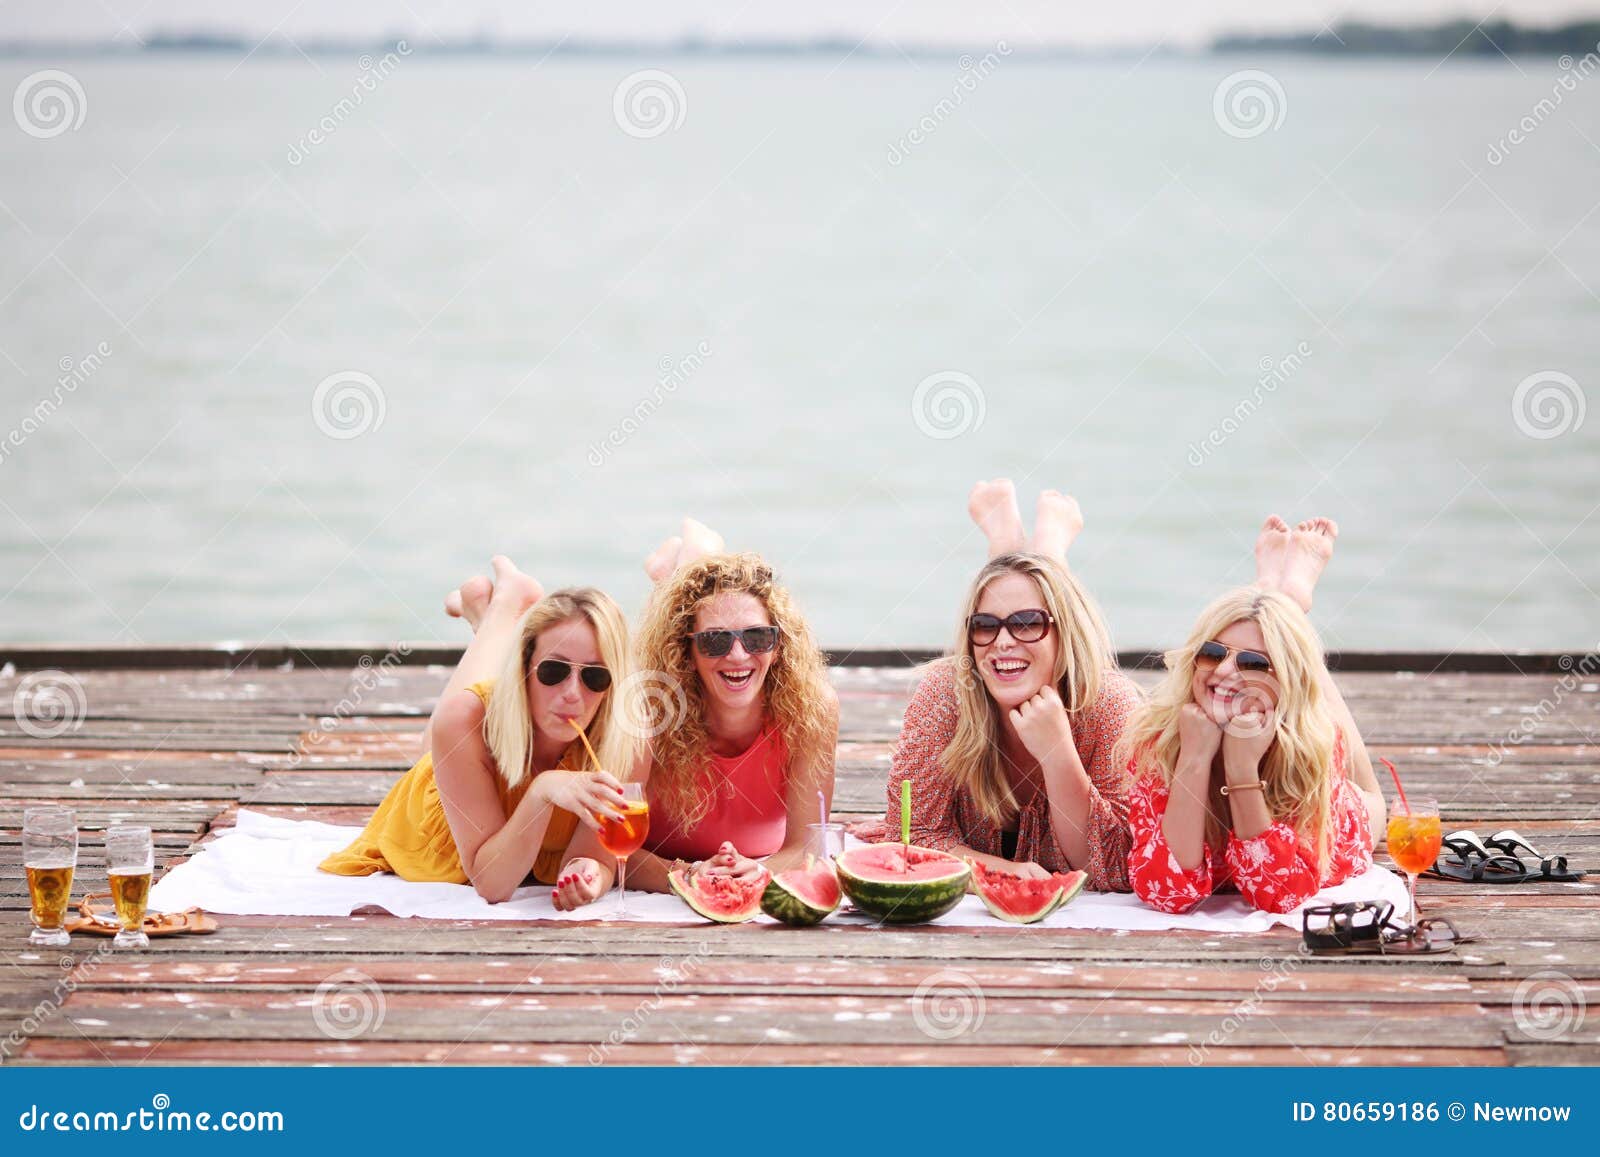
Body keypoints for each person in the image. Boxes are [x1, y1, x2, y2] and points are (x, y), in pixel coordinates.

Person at [320, 557, 634, 904]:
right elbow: (493, 884)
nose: (573, 693)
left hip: (492, 752)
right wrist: (541, 791)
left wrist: (591, 876)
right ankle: (503, 608)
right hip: (446, 826)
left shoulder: (629, 736)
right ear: (523, 668)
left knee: (461, 720)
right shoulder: (464, 720)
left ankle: (491, 614)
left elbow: (595, 858)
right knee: (456, 721)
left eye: (595, 676)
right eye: (552, 671)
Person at [551, 539, 841, 910]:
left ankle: (686, 561)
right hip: (674, 862)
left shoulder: (812, 707)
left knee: (704, 591)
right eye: (714, 641)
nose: (738, 654)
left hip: (753, 863)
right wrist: (687, 875)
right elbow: (604, 852)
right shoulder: (650, 709)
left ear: (779, 645)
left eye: (757, 637)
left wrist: (762, 872)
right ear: (685, 652)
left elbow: (804, 849)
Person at [882, 480, 1141, 891]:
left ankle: (1040, 543)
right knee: (1016, 600)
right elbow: (911, 839)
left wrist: (1058, 754)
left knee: (1024, 593)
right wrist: (998, 870)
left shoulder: (1110, 703)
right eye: (984, 626)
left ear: (1063, 634)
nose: (1002, 641)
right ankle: (1019, 543)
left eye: (1028, 624)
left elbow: (1116, 867)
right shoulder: (945, 691)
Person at [1122, 582, 1386, 915]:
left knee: (1371, 795)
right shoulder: (1155, 738)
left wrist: (1241, 768)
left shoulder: (1310, 747)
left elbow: (1279, 894)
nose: (1222, 671)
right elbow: (1166, 892)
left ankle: (1290, 600)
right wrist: (1194, 757)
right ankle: (1286, 600)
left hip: (1341, 825)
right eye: (1213, 653)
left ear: (1285, 680)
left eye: (1253, 664)